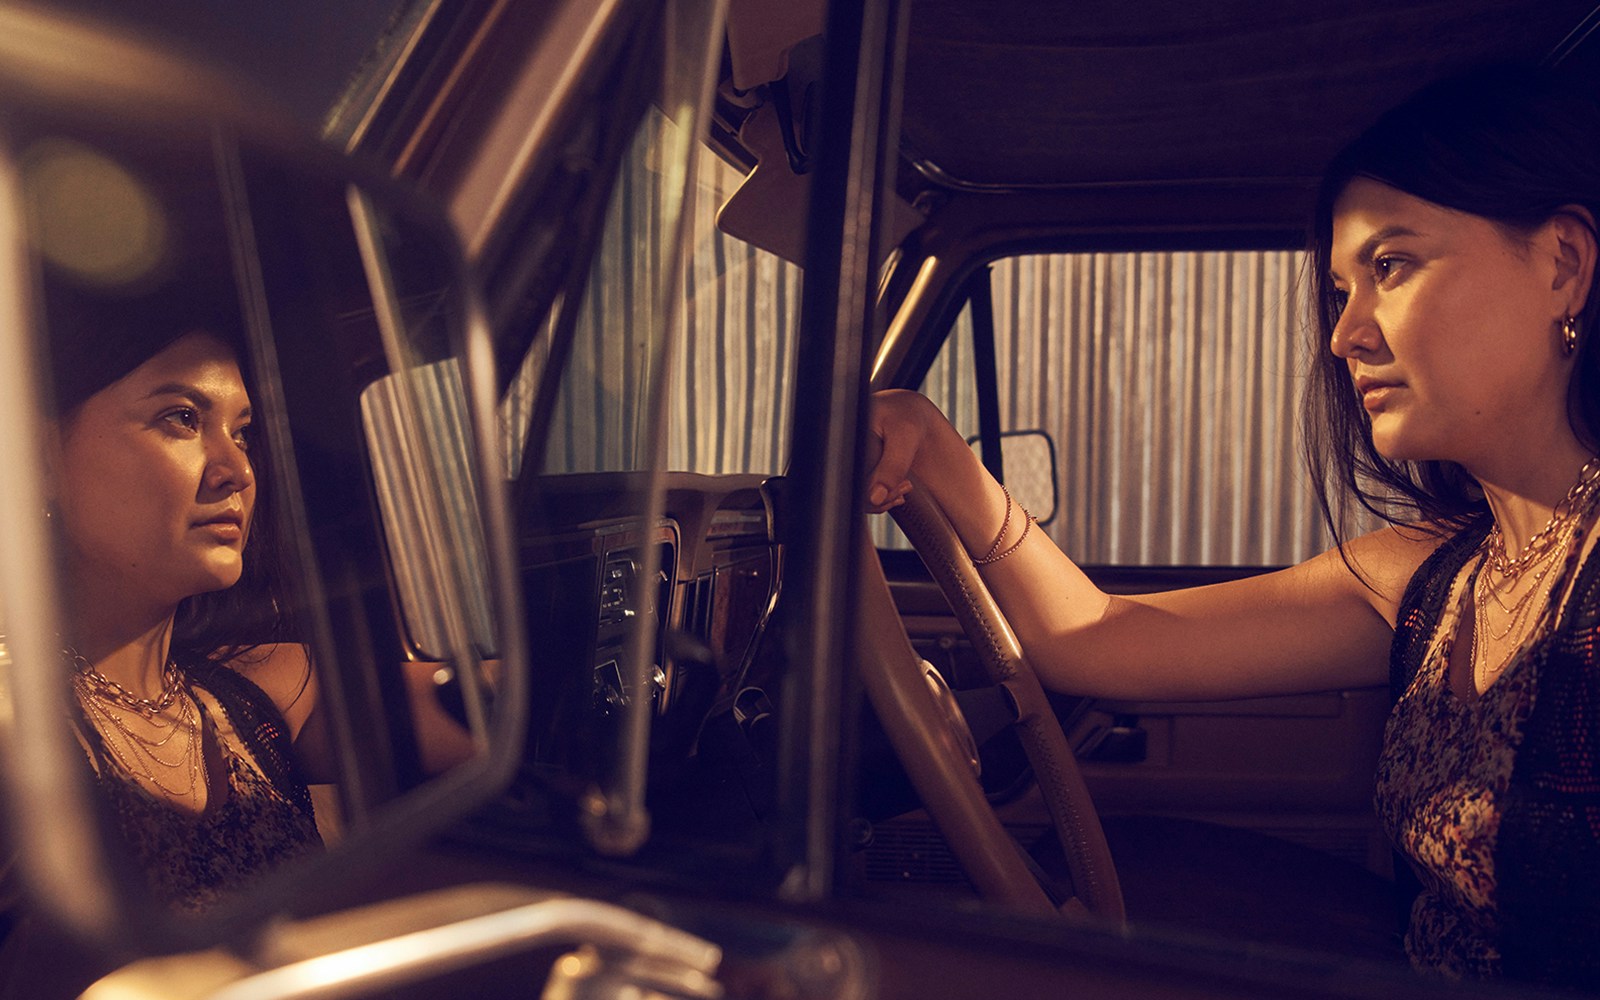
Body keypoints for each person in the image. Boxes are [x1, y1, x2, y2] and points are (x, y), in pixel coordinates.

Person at [868, 63, 1600, 991]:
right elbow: (1103, 640)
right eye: (1341, 290)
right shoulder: (1436, 572)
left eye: (1391, 266)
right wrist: (934, 451)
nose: (1345, 335)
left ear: (1563, 266)